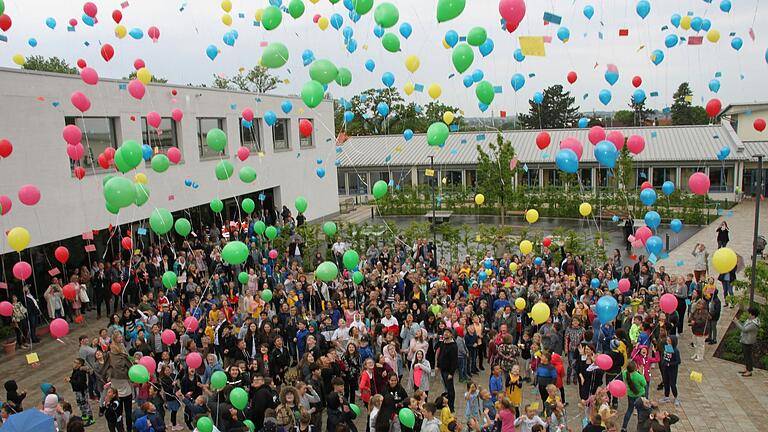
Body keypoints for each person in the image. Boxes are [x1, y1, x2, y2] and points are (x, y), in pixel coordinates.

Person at [733, 306, 761, 377]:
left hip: (748, 342)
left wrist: (736, 322)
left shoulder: (753, 324)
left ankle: (749, 371)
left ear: (752, 315)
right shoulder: (751, 320)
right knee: (746, 356)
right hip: (746, 340)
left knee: (748, 356)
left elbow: (744, 329)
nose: (747, 314)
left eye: (749, 313)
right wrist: (739, 321)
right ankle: (748, 369)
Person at [620, 362, 647, 432]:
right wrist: (641, 373)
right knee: (640, 411)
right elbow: (644, 383)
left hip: (630, 395)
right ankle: (640, 429)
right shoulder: (638, 376)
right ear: (635, 368)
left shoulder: (625, 373)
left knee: (629, 410)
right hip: (640, 395)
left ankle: (624, 427)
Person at [437, 329, 457, 412]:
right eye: (444, 332)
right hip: (442, 369)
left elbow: (454, 361)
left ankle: (451, 407)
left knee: (450, 389)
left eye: (447, 333)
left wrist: (451, 373)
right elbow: (440, 354)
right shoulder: (443, 343)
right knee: (446, 388)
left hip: (448, 371)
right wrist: (438, 365)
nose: (445, 334)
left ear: (451, 335)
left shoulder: (453, 346)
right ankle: (446, 404)